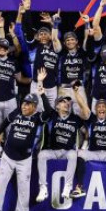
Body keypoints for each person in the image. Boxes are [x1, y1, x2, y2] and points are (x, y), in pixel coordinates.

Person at [0, 82, 53, 211]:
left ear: (34, 107)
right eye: (24, 103)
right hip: (8, 156)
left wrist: (42, 94)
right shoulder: (16, 112)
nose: (24, 106)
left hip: (25, 159)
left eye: (28, 104)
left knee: (24, 189)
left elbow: (49, 112)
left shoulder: (38, 118)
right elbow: (6, 121)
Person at [36, 72, 88, 204]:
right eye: (63, 102)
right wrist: (41, 89)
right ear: (57, 105)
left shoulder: (75, 118)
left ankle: (68, 187)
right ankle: (43, 188)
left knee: (73, 154)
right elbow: (46, 105)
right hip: (52, 150)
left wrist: (84, 146)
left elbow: (86, 132)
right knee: (41, 155)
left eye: (68, 102)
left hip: (66, 151)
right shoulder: (52, 115)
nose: (67, 104)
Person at [0, 12, 28, 158]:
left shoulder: (14, 61)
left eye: (4, 47)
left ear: (8, 49)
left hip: (10, 100)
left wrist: (35, 81)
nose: (2, 49)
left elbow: (20, 79)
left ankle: (9, 154)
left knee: (11, 128)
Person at [73, 80, 106, 200]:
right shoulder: (91, 118)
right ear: (96, 109)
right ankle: (79, 187)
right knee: (80, 154)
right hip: (93, 152)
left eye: (104, 106)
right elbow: (83, 105)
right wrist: (76, 93)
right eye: (99, 106)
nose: (101, 108)